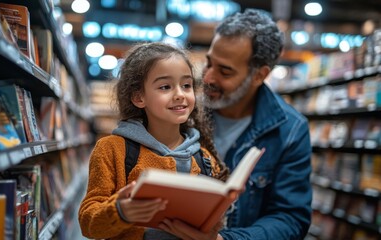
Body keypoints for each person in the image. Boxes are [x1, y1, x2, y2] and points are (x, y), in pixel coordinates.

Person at [160, 9, 312, 240]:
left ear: (259, 75)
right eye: (209, 63)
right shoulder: (181, 110)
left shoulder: (290, 130)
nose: (209, 77)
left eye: (225, 71)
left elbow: (290, 217)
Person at [78, 42, 229, 240]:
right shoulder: (112, 150)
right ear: (139, 97)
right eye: (165, 87)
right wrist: (120, 211)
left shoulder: (205, 158)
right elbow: (88, 224)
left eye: (186, 85)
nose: (180, 95)